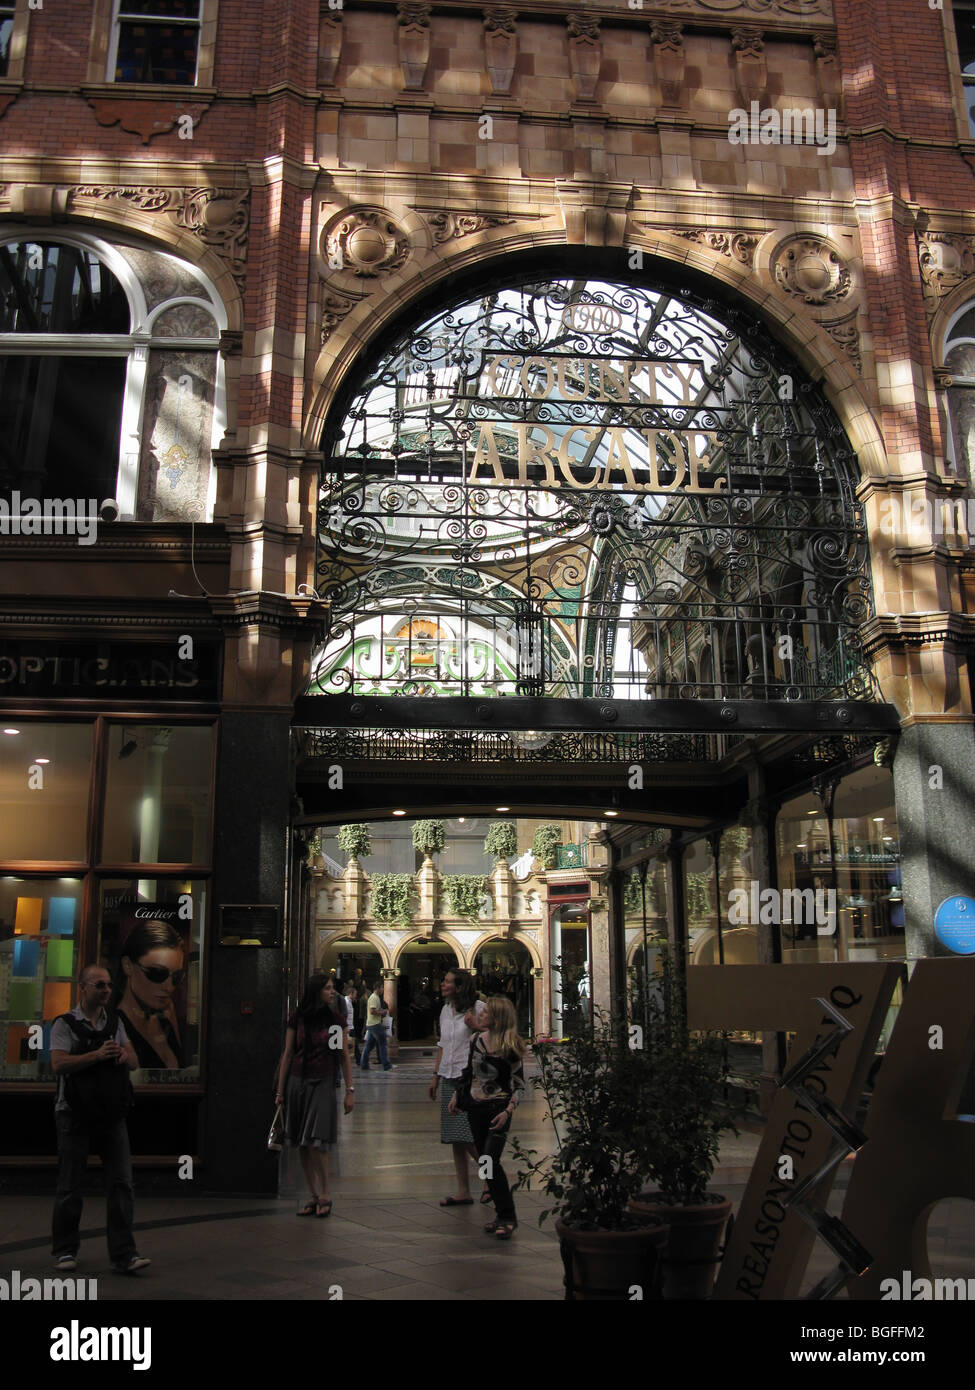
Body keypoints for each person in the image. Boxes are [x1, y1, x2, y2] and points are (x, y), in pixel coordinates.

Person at [50, 964, 149, 1274]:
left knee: (121, 1183)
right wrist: (96, 1055)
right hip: (74, 1114)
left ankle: (124, 1253)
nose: (106, 990)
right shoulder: (64, 1024)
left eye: (108, 985)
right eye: (99, 986)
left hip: (110, 1114)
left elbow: (134, 1060)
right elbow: (58, 1064)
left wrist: (121, 1055)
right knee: (70, 1185)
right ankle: (65, 1250)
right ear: (83, 988)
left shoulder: (115, 1022)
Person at [275, 973, 354, 1217]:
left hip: (323, 1081)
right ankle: (312, 1195)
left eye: (333, 988)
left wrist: (349, 1090)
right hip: (297, 1081)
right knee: (301, 1142)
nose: (333, 992)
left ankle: (326, 1193)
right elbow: (288, 1053)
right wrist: (280, 1091)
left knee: (317, 1141)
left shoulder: (333, 1020)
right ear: (316, 991)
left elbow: (341, 1055)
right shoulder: (297, 1018)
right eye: (328, 988)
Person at [449, 994, 525, 1240]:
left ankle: (508, 1216)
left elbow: (519, 1084)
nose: (481, 1013)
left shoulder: (511, 1046)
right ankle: (502, 1214)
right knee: (485, 1163)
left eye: (487, 1011)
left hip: (498, 1111)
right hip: (476, 1108)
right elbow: (469, 1073)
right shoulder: (475, 1041)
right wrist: (457, 1097)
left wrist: (508, 1111)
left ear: (498, 1017)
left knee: (491, 1160)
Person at [429, 968, 488, 1207]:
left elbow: (496, 1034)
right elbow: (443, 1044)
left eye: (447, 981)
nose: (442, 984)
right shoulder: (445, 1010)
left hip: (469, 1078)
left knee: (468, 1136)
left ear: (460, 986)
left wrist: (476, 1025)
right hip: (448, 1074)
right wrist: (435, 1076)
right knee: (455, 1137)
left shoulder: (479, 1008)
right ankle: (464, 1190)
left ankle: (491, 1177)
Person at [116, 919, 186, 1069]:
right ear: (128, 966)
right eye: (157, 973)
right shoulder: (113, 1025)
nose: (169, 987)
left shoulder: (166, 1020)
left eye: (176, 977)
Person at [359, 979, 393, 1072]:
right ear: (377, 988)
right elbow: (372, 1011)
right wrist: (382, 1012)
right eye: (382, 987)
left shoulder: (375, 997)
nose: (383, 989)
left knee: (369, 1046)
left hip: (371, 1024)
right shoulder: (374, 997)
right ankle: (387, 1065)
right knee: (383, 1044)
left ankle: (364, 1064)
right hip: (375, 1024)